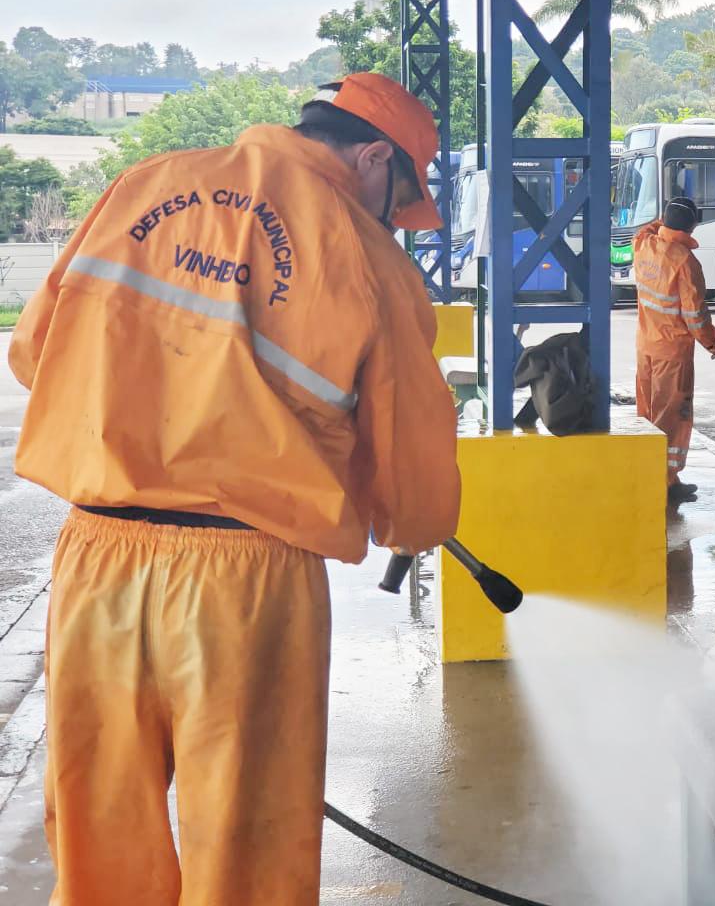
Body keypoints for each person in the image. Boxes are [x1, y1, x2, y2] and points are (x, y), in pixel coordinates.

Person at [7, 72, 461, 905]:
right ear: (372, 157)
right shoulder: (365, 254)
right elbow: (414, 489)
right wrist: (406, 519)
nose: (397, 220)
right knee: (248, 845)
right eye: (402, 201)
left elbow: (35, 353)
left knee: (100, 827)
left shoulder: (143, 186)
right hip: (248, 583)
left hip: (97, 562)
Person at [633, 197, 715, 504]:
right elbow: (695, 314)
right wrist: (711, 342)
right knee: (671, 421)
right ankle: (666, 484)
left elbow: (647, 229)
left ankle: (646, 474)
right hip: (673, 354)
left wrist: (663, 221)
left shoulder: (643, 245)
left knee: (647, 416)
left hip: (646, 348)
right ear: (692, 226)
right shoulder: (685, 261)